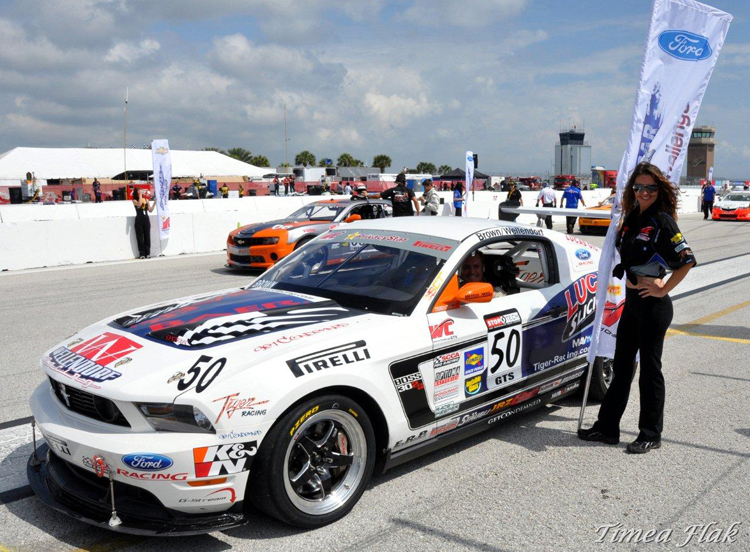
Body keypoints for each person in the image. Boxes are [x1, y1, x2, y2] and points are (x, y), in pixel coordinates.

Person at [578, 162, 696, 454]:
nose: (644, 192)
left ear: (659, 189)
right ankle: (607, 428)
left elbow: (687, 260)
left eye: (650, 188)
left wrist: (663, 288)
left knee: (650, 371)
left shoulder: (662, 221)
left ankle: (650, 434)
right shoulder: (632, 216)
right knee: (621, 367)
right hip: (631, 304)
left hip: (653, 306)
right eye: (639, 187)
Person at [132, 188, 155, 259]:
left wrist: (154, 203)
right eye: (139, 191)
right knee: (140, 238)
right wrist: (140, 195)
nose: (141, 192)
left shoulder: (146, 200)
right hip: (139, 220)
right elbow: (139, 204)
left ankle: (147, 253)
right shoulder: (134, 200)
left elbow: (150, 210)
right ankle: (142, 253)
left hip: (146, 219)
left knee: (147, 237)